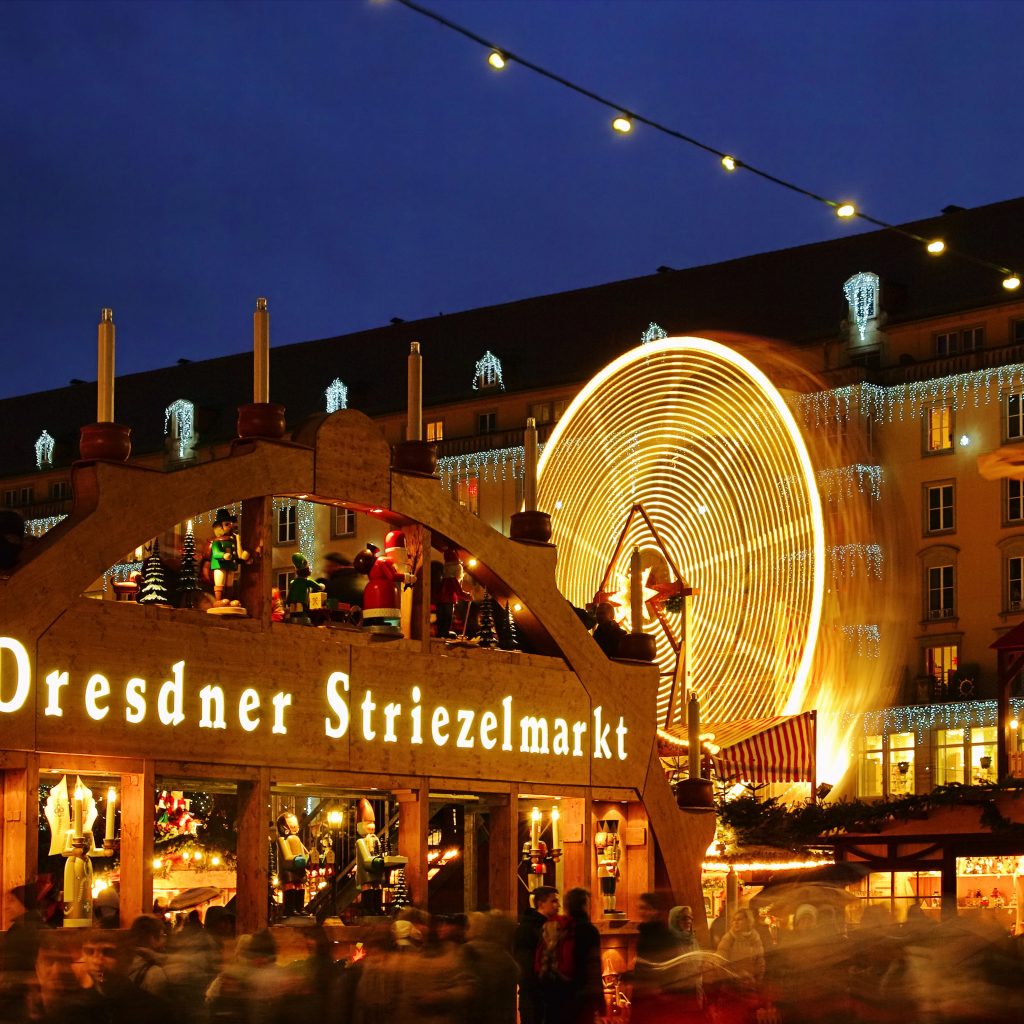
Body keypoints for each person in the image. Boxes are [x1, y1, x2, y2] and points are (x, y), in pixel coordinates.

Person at [630, 891, 687, 1024]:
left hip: (655, 1000)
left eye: (645, 908)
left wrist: (659, 987)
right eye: (640, 908)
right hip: (644, 998)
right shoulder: (644, 934)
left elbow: (674, 967)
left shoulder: (664, 937)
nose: (642, 912)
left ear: (655, 911)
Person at [513, 885, 560, 1024]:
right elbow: (525, 966)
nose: (558, 906)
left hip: (546, 995)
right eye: (553, 901)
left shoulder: (551, 926)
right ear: (541, 904)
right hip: (534, 997)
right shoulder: (528, 929)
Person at [276, 810, 310, 916]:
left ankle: (300, 907)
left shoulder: (297, 839)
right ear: (283, 827)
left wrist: (307, 858)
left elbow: (305, 852)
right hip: (288, 869)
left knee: (301, 887)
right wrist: (296, 859)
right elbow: (286, 856)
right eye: (291, 825)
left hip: (299, 868)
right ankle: (289, 908)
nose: (294, 827)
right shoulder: (282, 840)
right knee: (290, 887)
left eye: (295, 825)